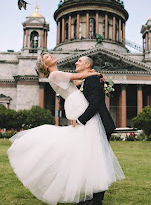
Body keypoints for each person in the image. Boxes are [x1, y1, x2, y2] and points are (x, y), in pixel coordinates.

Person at [8, 52, 125, 205]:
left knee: (85, 147)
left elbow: (77, 83)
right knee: (88, 146)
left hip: (76, 104)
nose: (51, 57)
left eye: (49, 55)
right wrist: (94, 73)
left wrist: (93, 78)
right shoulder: (55, 74)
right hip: (77, 105)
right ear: (45, 65)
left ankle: (93, 195)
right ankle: (94, 196)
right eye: (47, 58)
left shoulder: (58, 75)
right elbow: (77, 78)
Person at [72, 56, 115, 205]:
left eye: (80, 61)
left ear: (88, 65)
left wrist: (80, 120)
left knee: (99, 162)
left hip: (101, 124)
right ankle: (93, 197)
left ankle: (97, 200)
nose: (76, 63)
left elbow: (95, 103)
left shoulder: (92, 80)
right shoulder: (90, 79)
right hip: (96, 125)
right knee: (94, 162)